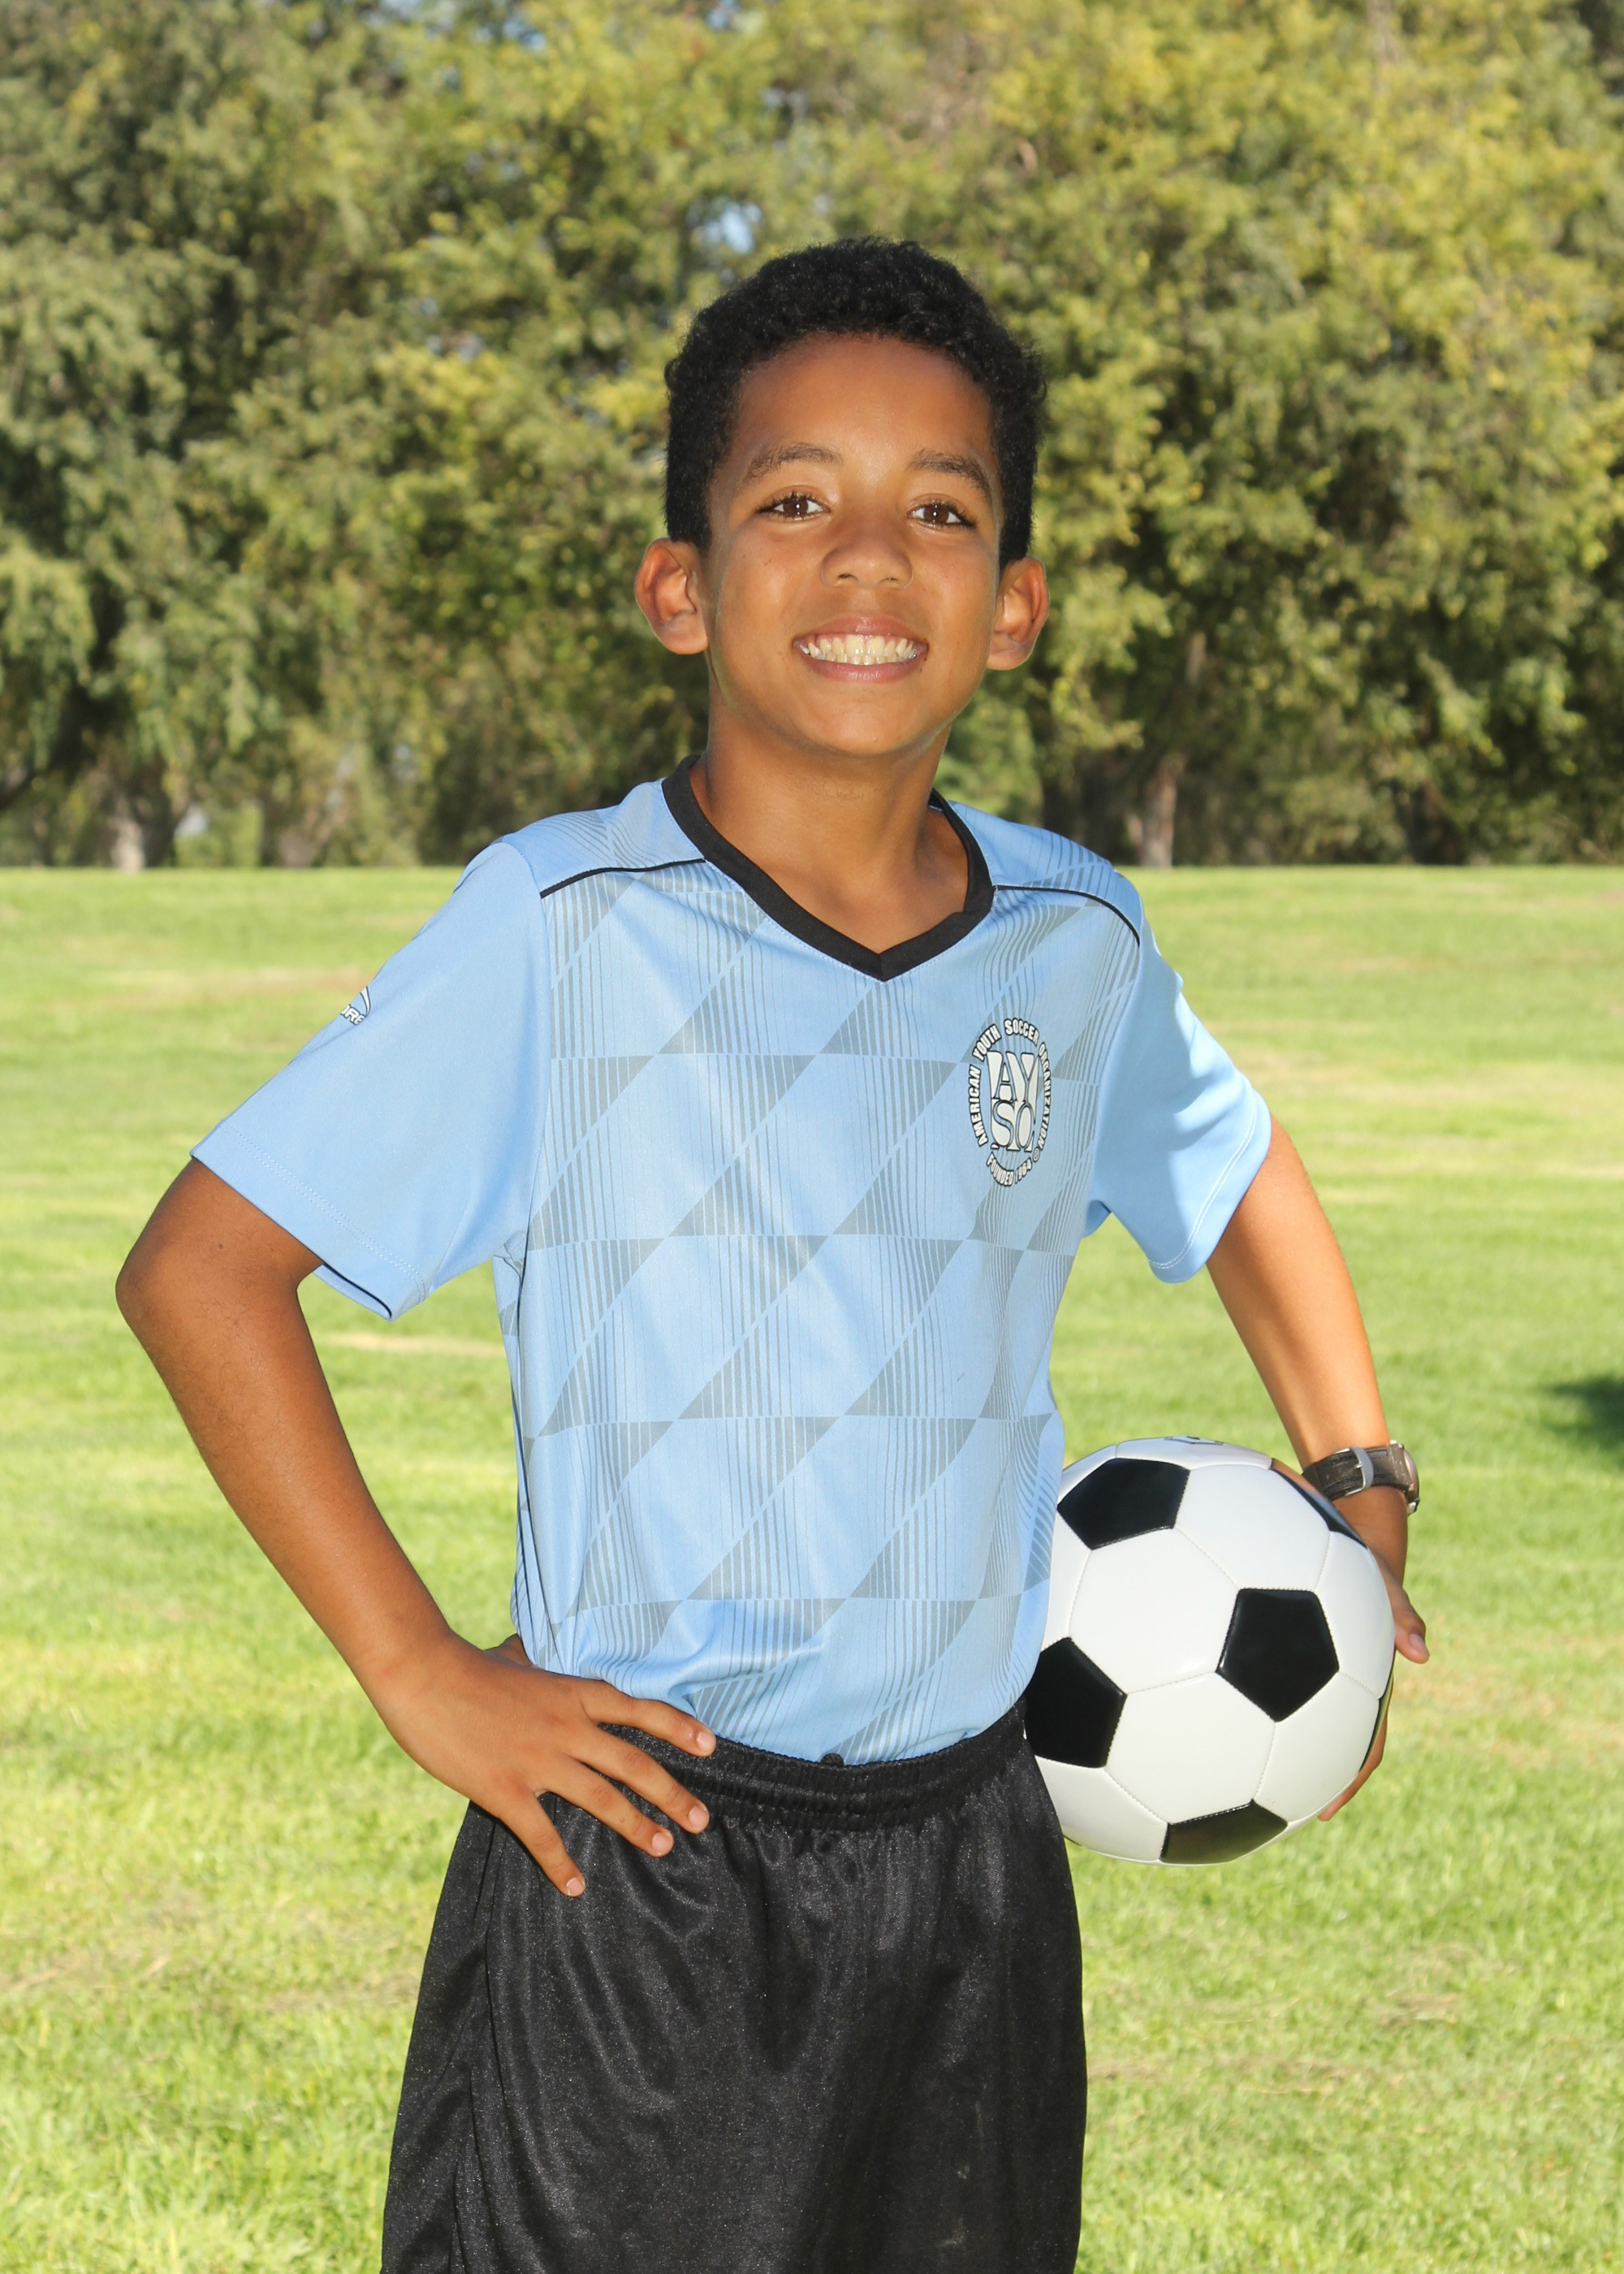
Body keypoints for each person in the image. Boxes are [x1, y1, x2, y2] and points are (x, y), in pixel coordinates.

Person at [117, 239, 1427, 2274]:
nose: (867, 556)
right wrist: (421, 1668)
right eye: (795, 498)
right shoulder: (566, 927)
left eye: (940, 511)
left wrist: (1357, 1485)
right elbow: (201, 1270)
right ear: (682, 583)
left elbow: (1235, 1170)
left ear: (1014, 605)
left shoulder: (1073, 943)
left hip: (979, 1863)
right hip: (644, 1860)